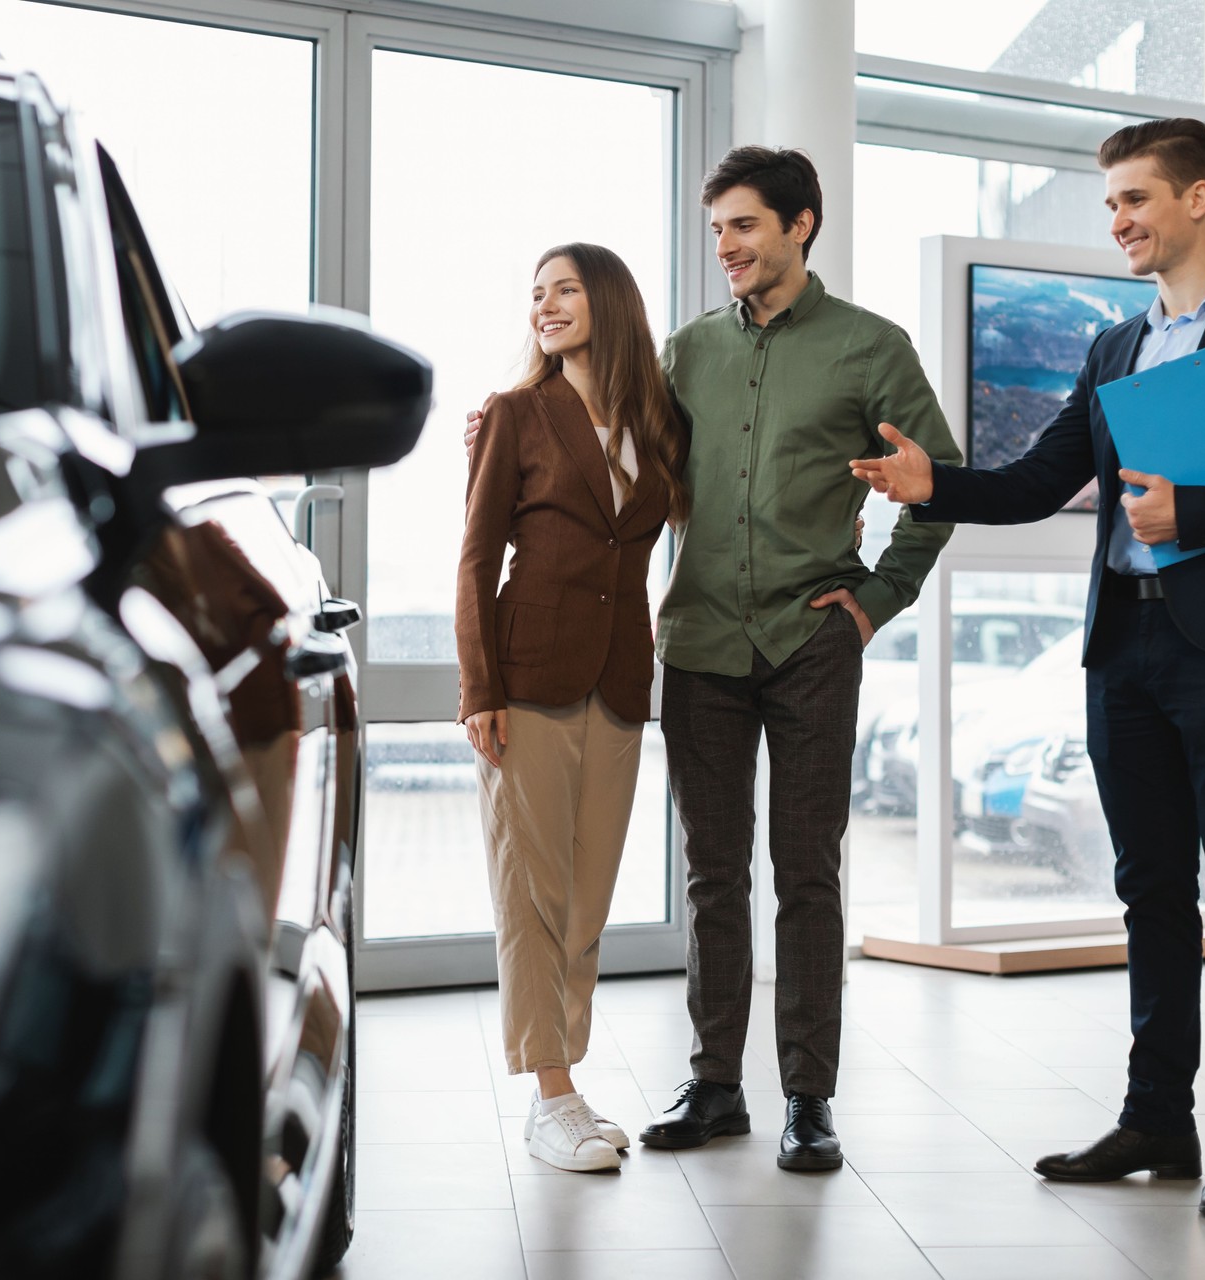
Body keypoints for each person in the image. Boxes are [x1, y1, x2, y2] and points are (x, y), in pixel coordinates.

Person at [852, 118, 1205, 1219]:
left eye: (1135, 199)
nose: (1120, 221)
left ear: (1198, 198)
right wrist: (928, 481)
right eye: (1111, 204)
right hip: (1122, 643)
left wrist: (1204, 509)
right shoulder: (1114, 347)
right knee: (1147, 892)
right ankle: (1156, 1119)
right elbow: (1042, 480)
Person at [472, 147, 962, 1172]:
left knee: (809, 874)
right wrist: (495, 425)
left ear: (801, 224)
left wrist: (874, 602)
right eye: (718, 231)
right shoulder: (686, 353)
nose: (729, 247)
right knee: (710, 874)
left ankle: (810, 1094)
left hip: (812, 643)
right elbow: (600, 425)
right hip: (695, 645)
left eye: (745, 226)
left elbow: (938, 482)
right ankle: (715, 1082)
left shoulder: (872, 347)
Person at [457, 242, 689, 1173]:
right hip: (529, 676)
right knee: (532, 895)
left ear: (610, 303)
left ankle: (569, 1081)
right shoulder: (516, 414)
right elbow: (475, 559)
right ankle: (551, 1095)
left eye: (564, 290)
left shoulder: (658, 424)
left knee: (587, 898)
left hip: (622, 680)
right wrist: (480, 689)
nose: (545, 306)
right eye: (536, 295)